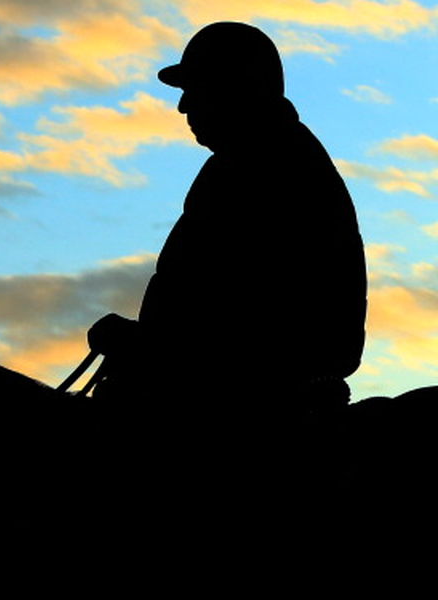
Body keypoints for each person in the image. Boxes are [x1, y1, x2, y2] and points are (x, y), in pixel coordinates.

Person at [85, 22, 367, 562]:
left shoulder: (274, 167)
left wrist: (145, 346)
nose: (183, 106)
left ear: (239, 87)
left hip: (245, 411)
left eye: (197, 89)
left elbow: (250, 320)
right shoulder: (246, 164)